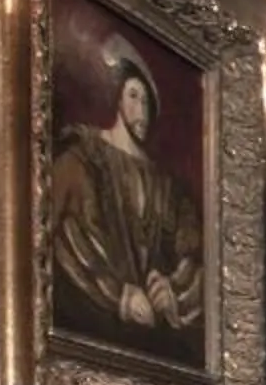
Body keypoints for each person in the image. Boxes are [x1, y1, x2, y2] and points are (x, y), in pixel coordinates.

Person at [48, 33, 204, 348]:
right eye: (134, 96)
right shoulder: (82, 156)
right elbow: (56, 236)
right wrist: (117, 294)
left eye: (146, 101)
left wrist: (171, 288)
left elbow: (194, 257)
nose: (141, 110)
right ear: (117, 98)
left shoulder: (166, 185)